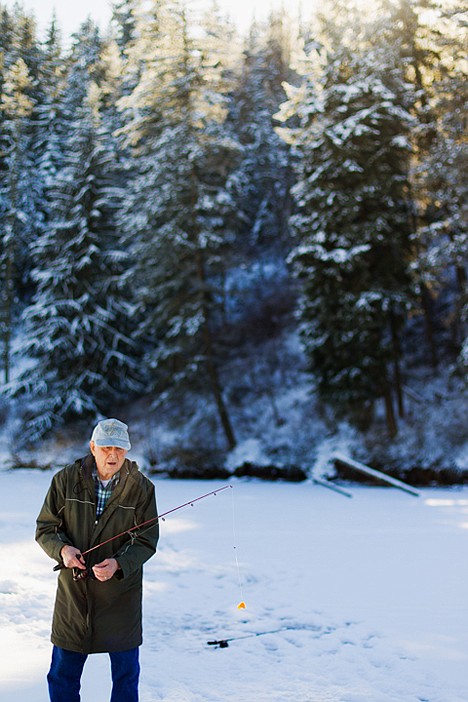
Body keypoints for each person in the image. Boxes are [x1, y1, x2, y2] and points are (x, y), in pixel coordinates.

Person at [36, 418, 159, 702]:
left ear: (127, 450)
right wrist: (63, 551)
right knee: (62, 675)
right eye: (106, 448)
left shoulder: (142, 488)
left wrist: (119, 564)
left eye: (119, 448)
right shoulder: (65, 480)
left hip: (121, 595)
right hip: (74, 595)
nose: (112, 455)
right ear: (93, 447)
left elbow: (146, 539)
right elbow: (46, 528)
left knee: (126, 677)